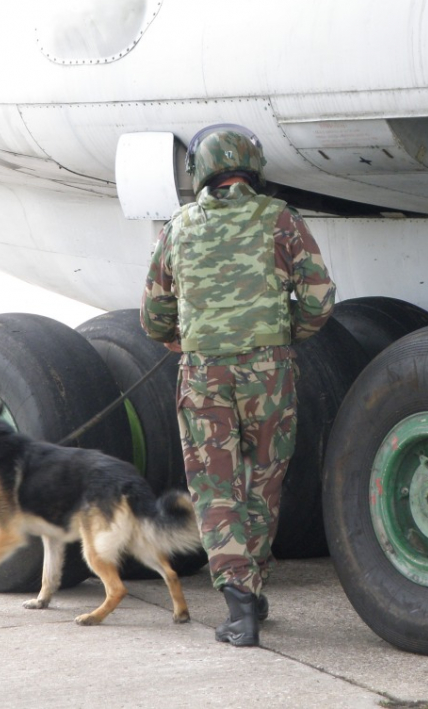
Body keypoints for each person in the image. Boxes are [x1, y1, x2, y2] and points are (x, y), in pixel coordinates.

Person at [140, 124, 336, 647]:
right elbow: (318, 299)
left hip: (204, 374)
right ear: (253, 168)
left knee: (216, 487)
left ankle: (240, 604)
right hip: (269, 371)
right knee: (263, 482)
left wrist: (186, 341)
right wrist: (280, 337)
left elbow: (154, 317)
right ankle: (253, 587)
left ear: (201, 171)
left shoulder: (178, 228)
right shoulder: (281, 220)